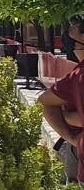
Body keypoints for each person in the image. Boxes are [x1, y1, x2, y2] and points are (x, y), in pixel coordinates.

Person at [40, 13, 84, 182]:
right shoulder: (76, 74)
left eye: (72, 39)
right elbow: (46, 101)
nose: (70, 45)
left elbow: (45, 102)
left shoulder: (78, 75)